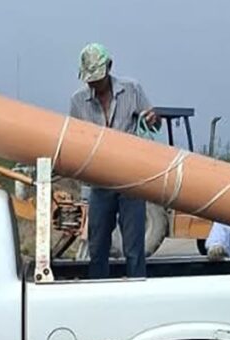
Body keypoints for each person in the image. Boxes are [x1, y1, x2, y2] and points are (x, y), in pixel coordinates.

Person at [69, 43, 159, 279]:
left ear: (109, 68)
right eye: (90, 80)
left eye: (97, 79)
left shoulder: (131, 90)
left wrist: (152, 119)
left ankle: (136, 286)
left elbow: (153, 122)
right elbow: (74, 140)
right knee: (97, 247)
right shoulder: (78, 101)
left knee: (134, 248)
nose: (93, 85)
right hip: (99, 182)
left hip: (130, 181)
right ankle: (99, 291)